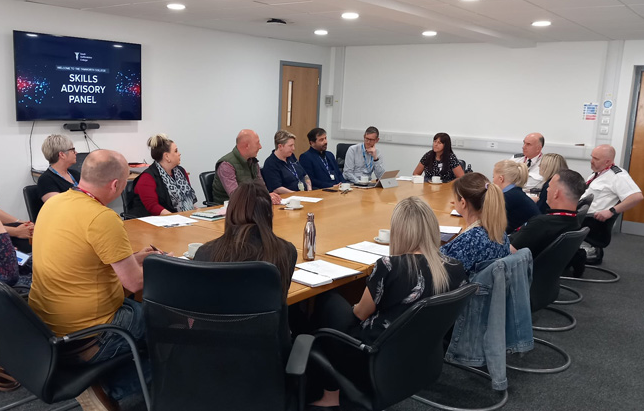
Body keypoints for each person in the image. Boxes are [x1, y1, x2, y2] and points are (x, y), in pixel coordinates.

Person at [28, 150, 161, 410]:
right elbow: (134, 284)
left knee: (144, 313)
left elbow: (86, 260)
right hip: (92, 333)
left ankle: (106, 377)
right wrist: (173, 267)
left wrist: (135, 257)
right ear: (115, 185)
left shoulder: (53, 203)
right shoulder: (103, 218)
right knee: (172, 328)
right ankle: (109, 387)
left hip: (45, 325)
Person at [307, 197, 467, 408]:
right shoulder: (455, 268)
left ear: (398, 231)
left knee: (327, 300)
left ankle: (326, 391)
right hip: (421, 355)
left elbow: (359, 314)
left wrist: (354, 304)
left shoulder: (389, 266)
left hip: (372, 356)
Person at [194, 181, 297, 299]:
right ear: (269, 214)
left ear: (231, 212)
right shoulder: (287, 251)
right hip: (268, 317)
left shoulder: (205, 253)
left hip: (219, 316)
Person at [581, 145, 643, 259]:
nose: (591, 161)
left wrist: (611, 211)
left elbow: (637, 197)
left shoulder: (618, 175)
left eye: (596, 159)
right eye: (592, 157)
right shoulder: (598, 174)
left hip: (591, 222)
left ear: (607, 161)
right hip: (582, 218)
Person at [441, 173, 510, 273]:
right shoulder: (499, 232)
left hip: (466, 287)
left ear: (463, 203)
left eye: (454, 197)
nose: (453, 201)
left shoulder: (469, 241)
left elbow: (442, 274)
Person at [510, 169, 586, 258]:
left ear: (556, 193)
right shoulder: (575, 221)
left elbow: (509, 252)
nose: (547, 190)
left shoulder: (541, 223)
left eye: (549, 187)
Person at [131, 134, 197, 216]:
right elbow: (153, 207)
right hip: (156, 223)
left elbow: (188, 200)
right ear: (166, 156)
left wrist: (197, 212)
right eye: (176, 151)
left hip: (181, 219)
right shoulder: (147, 178)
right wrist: (177, 218)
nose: (179, 154)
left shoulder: (181, 172)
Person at [212, 129, 281, 204]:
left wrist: (268, 196)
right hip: (229, 209)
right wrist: (263, 198)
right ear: (247, 146)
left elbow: (261, 187)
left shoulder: (253, 162)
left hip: (251, 206)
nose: (260, 146)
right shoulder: (226, 165)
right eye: (257, 143)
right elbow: (236, 196)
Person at [492, 160, 540, 233]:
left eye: (493, 177)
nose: (492, 181)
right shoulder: (516, 193)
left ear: (501, 179)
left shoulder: (509, 197)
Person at [37, 134, 79, 202]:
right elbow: (58, 205)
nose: (76, 153)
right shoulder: (45, 180)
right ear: (62, 155)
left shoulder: (75, 174)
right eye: (73, 150)